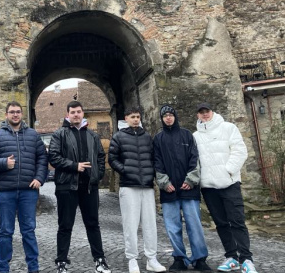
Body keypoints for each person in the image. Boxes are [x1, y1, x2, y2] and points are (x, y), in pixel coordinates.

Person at [0, 101, 48, 273]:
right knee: (5, 231)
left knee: (29, 231)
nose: (15, 114)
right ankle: (3, 268)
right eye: (12, 112)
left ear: (21, 114)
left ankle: (33, 268)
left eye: (18, 111)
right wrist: (4, 163)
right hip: (5, 191)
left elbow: (42, 158)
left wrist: (39, 178)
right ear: (6, 115)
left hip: (28, 191)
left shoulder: (33, 135)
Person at [48, 100, 112, 273]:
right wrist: (74, 166)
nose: (76, 115)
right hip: (67, 186)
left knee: (93, 224)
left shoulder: (92, 135)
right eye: (73, 112)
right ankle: (61, 262)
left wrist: (97, 175)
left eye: (78, 112)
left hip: (89, 187)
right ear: (67, 115)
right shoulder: (59, 134)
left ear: (83, 113)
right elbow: (53, 157)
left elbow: (100, 157)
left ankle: (100, 260)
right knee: (65, 226)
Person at [193, 103, 257, 273]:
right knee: (221, 223)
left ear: (212, 112)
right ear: (198, 115)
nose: (205, 114)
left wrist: (228, 170)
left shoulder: (228, 128)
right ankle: (231, 257)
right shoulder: (195, 136)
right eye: (201, 112)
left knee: (237, 221)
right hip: (208, 187)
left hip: (229, 184)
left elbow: (240, 151)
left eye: (207, 111)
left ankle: (246, 259)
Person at [153, 105, 211, 272]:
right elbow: (157, 162)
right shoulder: (158, 139)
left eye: (171, 115)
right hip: (169, 189)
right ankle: (179, 258)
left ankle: (199, 258)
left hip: (189, 189)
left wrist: (191, 180)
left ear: (175, 116)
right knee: (172, 226)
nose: (168, 118)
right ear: (162, 118)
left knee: (194, 225)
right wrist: (164, 182)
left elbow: (195, 158)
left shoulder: (187, 135)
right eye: (165, 115)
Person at [108, 106, 166, 273]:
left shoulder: (147, 136)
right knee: (130, 225)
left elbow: (153, 157)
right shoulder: (118, 136)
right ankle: (132, 259)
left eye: (137, 117)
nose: (135, 119)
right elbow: (112, 158)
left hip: (147, 185)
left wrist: (151, 174)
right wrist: (125, 170)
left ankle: (151, 258)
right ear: (126, 118)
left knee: (150, 224)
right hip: (128, 186)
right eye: (132, 116)